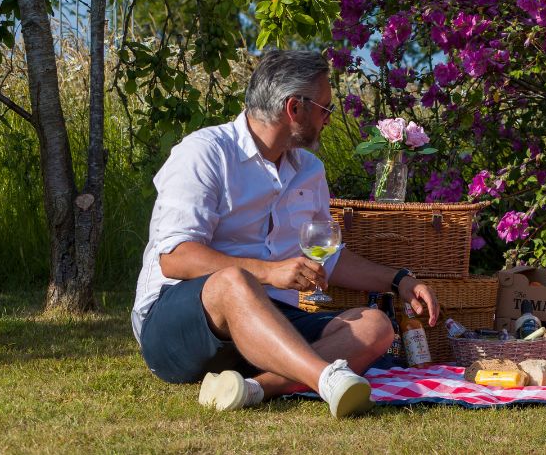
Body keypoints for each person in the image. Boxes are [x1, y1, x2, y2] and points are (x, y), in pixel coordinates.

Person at [131, 49, 440, 415]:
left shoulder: (309, 170)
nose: (328, 119)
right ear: (295, 108)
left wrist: (400, 280)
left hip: (266, 328)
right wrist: (268, 272)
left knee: (375, 326)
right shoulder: (204, 153)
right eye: (325, 108)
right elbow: (175, 257)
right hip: (177, 326)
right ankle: (328, 378)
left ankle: (250, 389)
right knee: (234, 282)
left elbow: (329, 257)